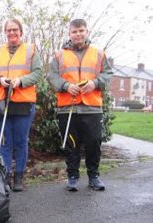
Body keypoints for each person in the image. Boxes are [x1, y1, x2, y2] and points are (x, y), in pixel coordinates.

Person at [47, 19, 113, 192]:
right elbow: (52, 76)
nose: (78, 34)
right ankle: (73, 177)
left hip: (92, 107)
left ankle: (94, 176)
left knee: (94, 143)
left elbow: (108, 74)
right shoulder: (58, 55)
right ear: (69, 34)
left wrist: (95, 83)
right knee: (71, 144)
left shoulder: (99, 53)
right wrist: (66, 86)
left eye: (81, 31)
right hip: (67, 108)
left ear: (87, 32)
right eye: (75, 31)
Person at [0, 18, 42, 192]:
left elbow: (38, 73)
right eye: (9, 30)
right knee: (5, 142)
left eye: (15, 29)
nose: (12, 33)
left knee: (20, 142)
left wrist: (21, 81)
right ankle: (5, 177)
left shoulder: (30, 50)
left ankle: (18, 177)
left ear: (21, 31)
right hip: (1, 102)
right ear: (5, 32)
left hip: (23, 103)